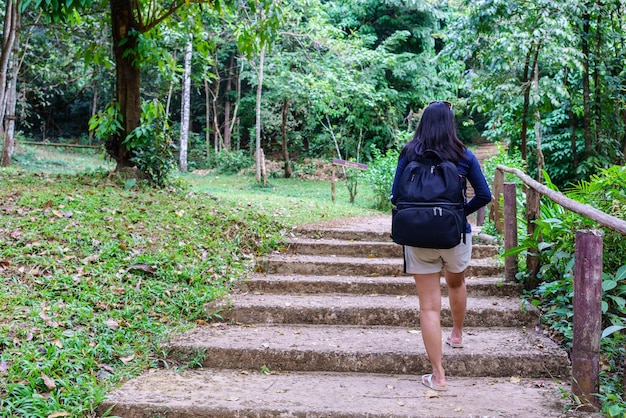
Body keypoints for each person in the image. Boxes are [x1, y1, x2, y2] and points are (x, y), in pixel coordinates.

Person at [390, 101, 492, 391]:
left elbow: (396, 195)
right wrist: (460, 212)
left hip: (417, 236)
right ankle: (457, 334)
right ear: (450, 124)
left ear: (423, 122)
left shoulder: (409, 152)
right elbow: (484, 195)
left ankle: (438, 376)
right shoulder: (464, 155)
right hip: (454, 234)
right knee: (457, 284)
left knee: (429, 308)